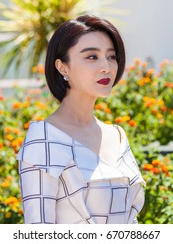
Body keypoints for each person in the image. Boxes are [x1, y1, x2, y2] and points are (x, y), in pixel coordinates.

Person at [17, 14, 145, 224]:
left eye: (111, 56)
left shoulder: (118, 136)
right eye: (91, 57)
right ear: (62, 67)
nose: (106, 66)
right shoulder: (43, 139)